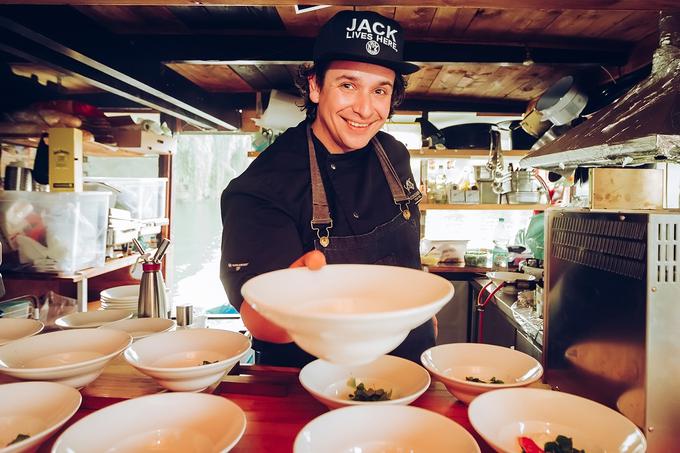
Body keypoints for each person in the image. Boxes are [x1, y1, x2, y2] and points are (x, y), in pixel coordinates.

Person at [220, 10, 435, 367]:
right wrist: (291, 298)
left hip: (412, 368)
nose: (365, 109)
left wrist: (426, 320)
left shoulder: (394, 154)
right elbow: (257, 322)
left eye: (379, 90)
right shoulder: (263, 187)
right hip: (314, 385)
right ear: (316, 86)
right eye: (348, 85)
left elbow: (406, 260)